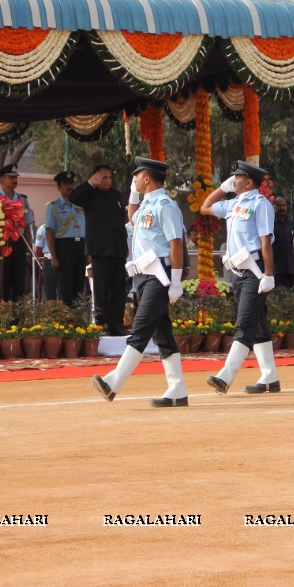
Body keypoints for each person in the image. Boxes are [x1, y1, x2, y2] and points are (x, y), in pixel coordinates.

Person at [91, 157, 189, 407]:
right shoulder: (148, 205)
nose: (133, 180)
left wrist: (176, 281)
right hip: (143, 275)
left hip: (160, 274)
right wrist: (133, 195)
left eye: (137, 176)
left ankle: (114, 382)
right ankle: (177, 389)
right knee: (162, 333)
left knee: (141, 328)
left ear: (147, 178)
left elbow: (175, 243)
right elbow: (134, 218)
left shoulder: (165, 205)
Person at [201, 160, 281, 395]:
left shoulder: (261, 204)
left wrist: (268, 274)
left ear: (248, 181)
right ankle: (270, 377)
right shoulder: (233, 203)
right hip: (236, 271)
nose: (233, 180)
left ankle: (226, 375)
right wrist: (222, 188)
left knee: (244, 323)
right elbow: (205, 207)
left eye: (236, 177)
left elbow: (266, 242)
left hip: (255, 271)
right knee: (258, 323)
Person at [70, 164, 128, 336]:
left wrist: (124, 246)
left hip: (118, 249)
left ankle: (116, 324)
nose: (108, 181)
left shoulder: (116, 195)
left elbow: (119, 223)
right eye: (103, 177)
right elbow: (74, 197)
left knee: (119, 289)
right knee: (101, 289)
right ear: (96, 177)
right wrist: (90, 183)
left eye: (110, 177)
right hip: (101, 250)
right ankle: (101, 324)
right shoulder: (90, 194)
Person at [0, 164, 35, 301]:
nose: (15, 180)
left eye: (15, 177)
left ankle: (18, 318)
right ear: (2, 180)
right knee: (3, 280)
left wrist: (28, 249)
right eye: (11, 178)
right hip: (2, 242)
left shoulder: (23, 199)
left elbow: (27, 224)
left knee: (19, 282)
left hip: (19, 242)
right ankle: (4, 316)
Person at [44, 171, 86, 306]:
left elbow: (88, 229)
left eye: (72, 184)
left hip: (80, 246)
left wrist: (88, 252)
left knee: (79, 286)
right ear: (59, 187)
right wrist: (54, 257)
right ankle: (66, 322)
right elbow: (49, 232)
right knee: (65, 287)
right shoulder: (53, 206)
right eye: (66, 184)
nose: (70, 187)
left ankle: (79, 320)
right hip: (64, 247)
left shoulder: (81, 205)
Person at [272, 196, 294, 288]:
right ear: (274, 207)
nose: (282, 208)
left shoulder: (292, 224)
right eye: (279, 205)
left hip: (291, 269)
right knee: (277, 297)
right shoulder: (270, 224)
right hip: (276, 269)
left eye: (284, 205)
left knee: (291, 296)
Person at [33, 224, 56, 302]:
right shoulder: (43, 228)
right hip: (49, 259)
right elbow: (38, 249)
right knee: (49, 291)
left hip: (63, 259)